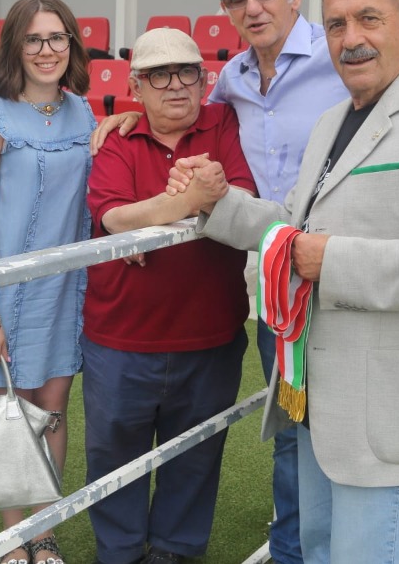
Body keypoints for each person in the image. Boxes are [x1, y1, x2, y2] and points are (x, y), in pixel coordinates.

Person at [91, 0, 399, 564]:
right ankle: (293, 551)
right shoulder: (254, 91)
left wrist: (327, 258)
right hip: (288, 303)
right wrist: (134, 123)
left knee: (369, 509)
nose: (351, 40)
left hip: (374, 323)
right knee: (301, 447)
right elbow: (280, 207)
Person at [83, 28, 256, 564]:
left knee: (197, 451)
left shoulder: (224, 122)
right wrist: (190, 200)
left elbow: (243, 194)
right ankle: (119, 551)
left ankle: (175, 549)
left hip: (210, 330)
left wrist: (153, 215)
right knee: (114, 451)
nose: (176, 85)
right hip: (121, 335)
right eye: (159, 75)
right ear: (136, 86)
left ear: (204, 80)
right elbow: (114, 216)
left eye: (187, 72)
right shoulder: (116, 139)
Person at [0, 0, 95, 564]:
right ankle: (12, 541)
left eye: (56, 37)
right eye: (33, 38)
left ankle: (44, 531)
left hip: (63, 289)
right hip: (1, 291)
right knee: (9, 416)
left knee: (53, 409)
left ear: (71, 44)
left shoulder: (83, 112)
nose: (46, 50)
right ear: (14, 45)